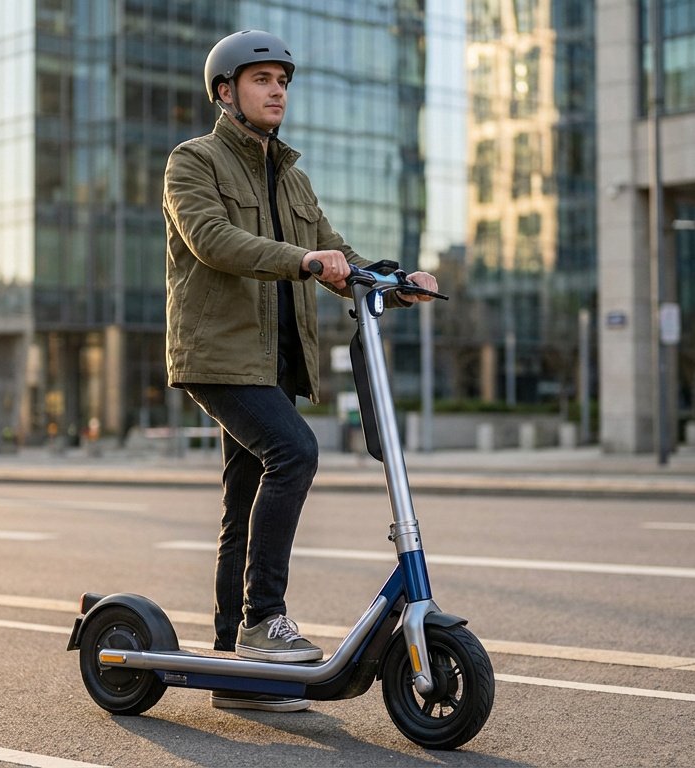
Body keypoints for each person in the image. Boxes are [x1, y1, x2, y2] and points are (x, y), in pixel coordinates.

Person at [162, 30, 438, 712]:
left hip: (274, 363)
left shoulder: (294, 178)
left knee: (240, 504)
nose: (278, 89)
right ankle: (265, 619)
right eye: (261, 79)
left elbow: (338, 255)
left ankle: (236, 670)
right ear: (225, 91)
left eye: (283, 80)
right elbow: (214, 241)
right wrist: (304, 261)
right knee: (295, 451)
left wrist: (396, 281)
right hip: (218, 356)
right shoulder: (191, 162)